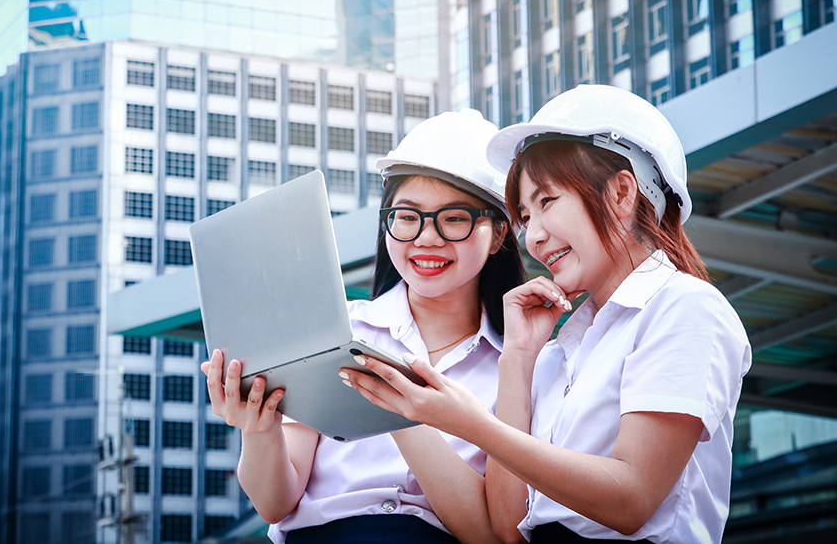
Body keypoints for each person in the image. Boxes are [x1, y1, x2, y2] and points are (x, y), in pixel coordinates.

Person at [343, 85, 751, 544]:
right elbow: (506, 527)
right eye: (523, 214)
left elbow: (632, 499)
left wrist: (468, 423)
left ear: (621, 192)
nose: (533, 237)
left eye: (547, 202)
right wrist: (516, 358)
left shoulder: (684, 307)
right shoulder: (557, 350)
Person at [200, 108, 527, 544]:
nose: (426, 238)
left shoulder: (520, 365)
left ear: (499, 233)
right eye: (407, 216)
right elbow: (275, 504)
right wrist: (259, 430)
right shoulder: (338, 332)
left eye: (454, 218)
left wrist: (401, 409)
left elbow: (491, 535)